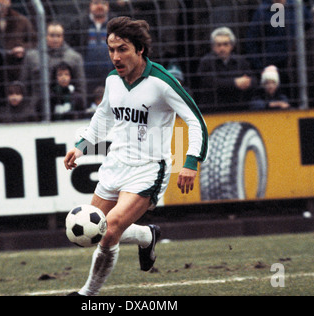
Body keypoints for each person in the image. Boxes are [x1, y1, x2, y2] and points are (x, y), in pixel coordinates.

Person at [63, 16, 208, 296]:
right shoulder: (112, 80)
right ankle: (146, 235)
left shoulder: (162, 82)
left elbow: (195, 121)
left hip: (148, 168)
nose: (115, 56)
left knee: (112, 226)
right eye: (111, 49)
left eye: (123, 49)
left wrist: (191, 161)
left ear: (140, 49)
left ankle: (86, 295)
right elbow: (103, 116)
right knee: (99, 230)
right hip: (115, 163)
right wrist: (80, 145)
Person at [20, 21, 87, 114]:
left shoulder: (74, 58)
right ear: (45, 36)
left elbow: (80, 88)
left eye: (58, 36)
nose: (55, 39)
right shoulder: (32, 56)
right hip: (36, 110)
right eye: (52, 35)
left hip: (66, 109)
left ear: (63, 37)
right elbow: (24, 86)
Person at [196, 27, 256, 112]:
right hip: (213, 109)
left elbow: (253, 80)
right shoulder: (206, 61)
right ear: (213, 47)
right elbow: (208, 82)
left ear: (231, 46)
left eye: (225, 44)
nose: (222, 48)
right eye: (219, 45)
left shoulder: (240, 61)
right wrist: (234, 83)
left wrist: (247, 82)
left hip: (237, 108)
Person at [67, 0, 115, 104]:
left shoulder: (116, 24)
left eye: (103, 3)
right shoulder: (78, 24)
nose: (99, 6)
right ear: (90, 5)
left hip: (111, 76)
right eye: (96, 3)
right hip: (85, 77)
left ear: (108, 6)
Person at [0, 0, 36, 82]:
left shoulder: (21, 20)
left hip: (16, 72)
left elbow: (35, 42)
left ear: (9, 2)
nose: (1, 4)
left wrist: (23, 48)